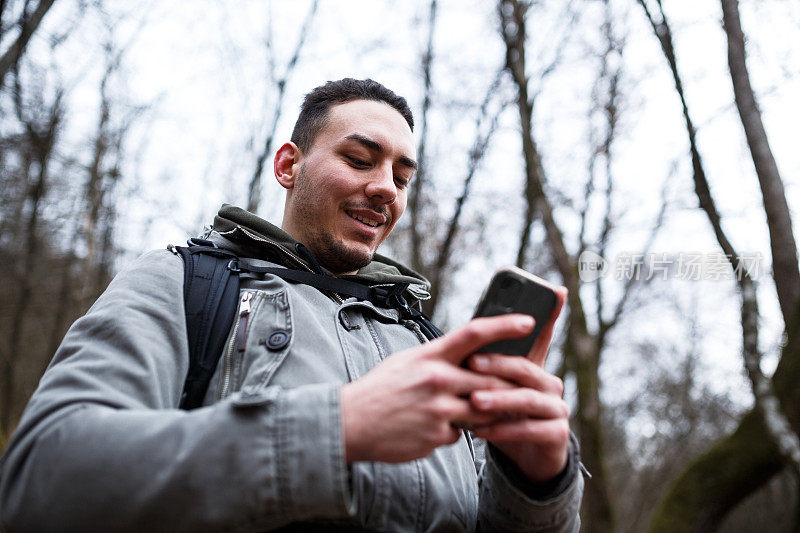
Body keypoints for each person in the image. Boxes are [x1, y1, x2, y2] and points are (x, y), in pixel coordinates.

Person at [0, 78, 583, 532]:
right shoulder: (182, 283)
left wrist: (537, 478)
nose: (386, 187)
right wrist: (337, 427)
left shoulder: (430, 346)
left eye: (402, 178)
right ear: (288, 166)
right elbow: (43, 478)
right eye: (359, 159)